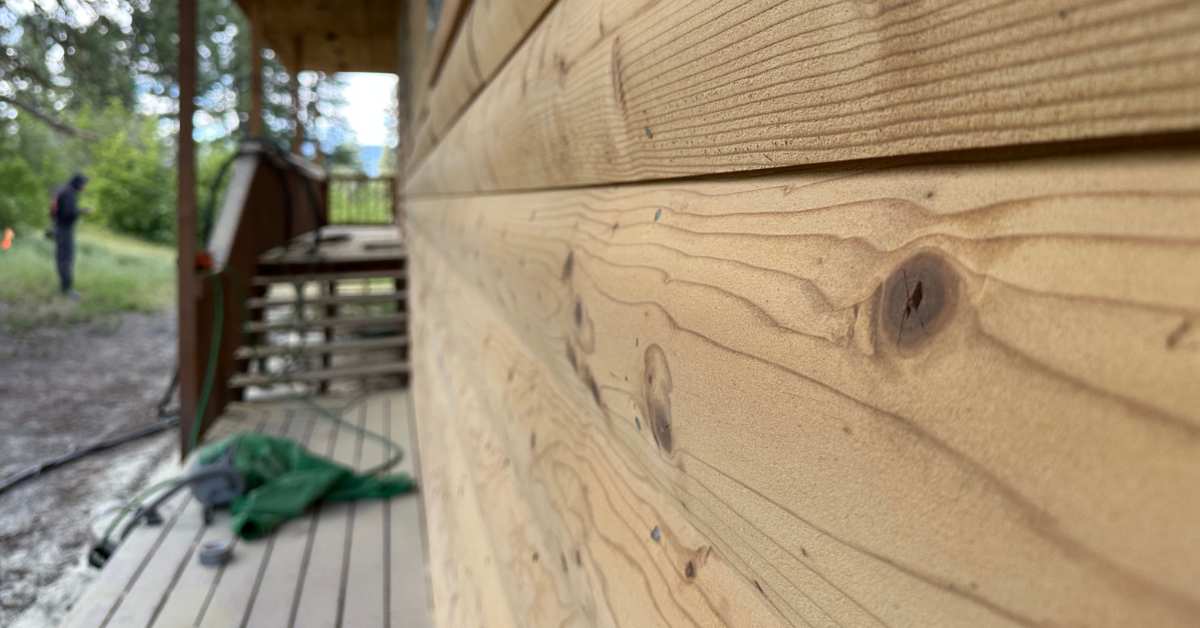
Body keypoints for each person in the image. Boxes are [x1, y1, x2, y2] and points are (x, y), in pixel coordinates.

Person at [51, 174, 90, 299]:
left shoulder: (61, 189)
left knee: (62, 257)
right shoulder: (69, 193)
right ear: (79, 183)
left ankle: (64, 287)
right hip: (64, 229)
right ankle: (66, 289)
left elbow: (53, 209)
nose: (85, 187)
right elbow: (69, 212)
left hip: (57, 226)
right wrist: (84, 211)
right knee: (66, 259)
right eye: (84, 184)